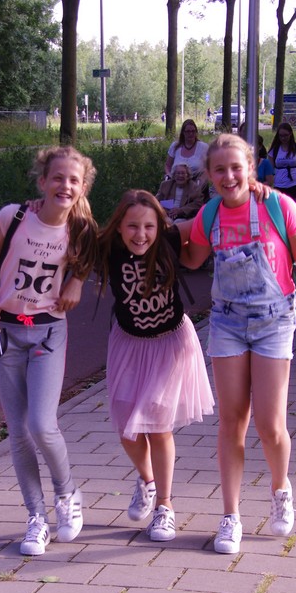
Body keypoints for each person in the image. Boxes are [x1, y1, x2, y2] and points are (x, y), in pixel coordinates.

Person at [180, 134, 296, 554]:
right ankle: (230, 516)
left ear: (250, 168)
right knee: (232, 421)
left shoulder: (279, 207)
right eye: (219, 170)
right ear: (209, 175)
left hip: (275, 323)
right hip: (227, 323)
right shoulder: (210, 214)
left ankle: (280, 488)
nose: (229, 176)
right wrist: (152, 230)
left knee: (270, 426)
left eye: (236, 167)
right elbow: (191, 258)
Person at [0, 146, 99, 556]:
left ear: (83, 189)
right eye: (57, 177)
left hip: (48, 333)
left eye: (74, 180)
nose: (65, 185)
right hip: (6, 332)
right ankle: (36, 518)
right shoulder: (13, 218)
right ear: (42, 181)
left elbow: (90, 257)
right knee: (18, 431)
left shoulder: (81, 229)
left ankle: (67, 494)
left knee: (42, 424)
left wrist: (77, 280)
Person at [95, 190, 215, 542]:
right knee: (127, 428)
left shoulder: (171, 237)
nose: (141, 234)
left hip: (170, 343)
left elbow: (209, 217)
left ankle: (165, 506)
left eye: (148, 226)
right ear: (119, 226)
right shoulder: (107, 246)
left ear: (159, 227)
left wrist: (245, 191)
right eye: (132, 226)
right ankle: (147, 481)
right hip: (128, 343)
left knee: (158, 426)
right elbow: (71, 233)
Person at [268, 122, 296, 205]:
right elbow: (270, 172)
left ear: (290, 134)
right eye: (281, 136)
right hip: (279, 186)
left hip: (295, 185)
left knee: (293, 209)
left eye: (286, 135)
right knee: (281, 210)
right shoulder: (273, 151)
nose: (283, 138)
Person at [237, 121, 274, 186]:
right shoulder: (234, 154)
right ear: (240, 133)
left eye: (249, 131)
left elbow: (270, 181)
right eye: (245, 131)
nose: (247, 134)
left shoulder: (265, 162)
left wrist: (255, 186)